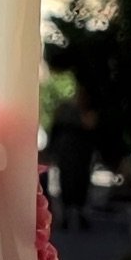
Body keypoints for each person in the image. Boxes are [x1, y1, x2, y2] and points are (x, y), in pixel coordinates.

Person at [48, 87, 98, 231]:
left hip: (81, 156)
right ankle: (67, 215)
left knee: (80, 184)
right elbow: (56, 131)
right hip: (68, 155)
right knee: (67, 183)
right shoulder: (66, 111)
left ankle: (78, 214)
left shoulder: (85, 112)